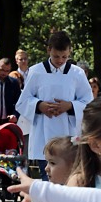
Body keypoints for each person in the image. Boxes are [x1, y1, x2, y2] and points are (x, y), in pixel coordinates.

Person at [15, 31, 93, 179]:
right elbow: (23, 102)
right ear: (49, 50)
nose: (60, 61)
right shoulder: (35, 71)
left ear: (69, 52)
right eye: (56, 56)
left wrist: (69, 106)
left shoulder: (77, 74)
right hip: (43, 133)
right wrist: (39, 105)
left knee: (69, 179)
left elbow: (88, 103)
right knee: (48, 179)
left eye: (64, 57)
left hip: (69, 133)